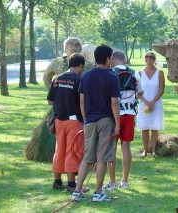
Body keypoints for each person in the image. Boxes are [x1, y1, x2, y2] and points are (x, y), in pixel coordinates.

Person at [71, 44, 121, 202]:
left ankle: (77, 192)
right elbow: (114, 103)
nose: (112, 60)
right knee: (102, 158)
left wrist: (86, 119)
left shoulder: (85, 75)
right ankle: (98, 193)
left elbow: (81, 100)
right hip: (106, 121)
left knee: (87, 157)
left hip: (90, 120)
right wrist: (118, 124)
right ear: (107, 59)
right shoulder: (112, 76)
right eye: (111, 57)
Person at [102, 51, 143, 191]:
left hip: (114, 115)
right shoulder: (134, 73)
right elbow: (140, 92)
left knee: (111, 148)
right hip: (130, 114)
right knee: (126, 148)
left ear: (112, 59)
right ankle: (124, 181)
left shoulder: (110, 73)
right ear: (124, 60)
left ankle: (112, 182)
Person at [47, 53, 85, 191]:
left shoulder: (57, 79)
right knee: (72, 151)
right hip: (74, 121)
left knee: (59, 150)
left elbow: (50, 100)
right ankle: (71, 185)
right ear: (80, 65)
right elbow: (83, 102)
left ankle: (57, 182)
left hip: (59, 121)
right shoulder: (79, 80)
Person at [137, 51, 165, 157]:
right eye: (147, 57)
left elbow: (162, 89)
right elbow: (138, 91)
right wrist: (146, 102)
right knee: (144, 127)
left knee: (154, 127)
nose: (149, 58)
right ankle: (145, 150)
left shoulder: (160, 72)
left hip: (156, 103)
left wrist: (152, 102)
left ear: (154, 59)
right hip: (144, 103)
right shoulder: (140, 73)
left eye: (151, 57)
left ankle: (153, 150)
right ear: (145, 59)